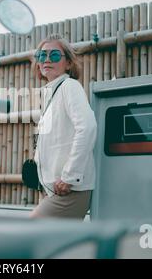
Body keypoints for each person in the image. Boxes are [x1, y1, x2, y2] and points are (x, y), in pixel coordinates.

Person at [30, 34, 97, 219]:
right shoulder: (51, 94)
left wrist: (70, 176)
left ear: (68, 63)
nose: (47, 59)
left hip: (70, 190)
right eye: (42, 56)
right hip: (54, 190)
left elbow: (87, 128)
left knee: (29, 230)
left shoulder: (69, 86)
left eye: (55, 55)